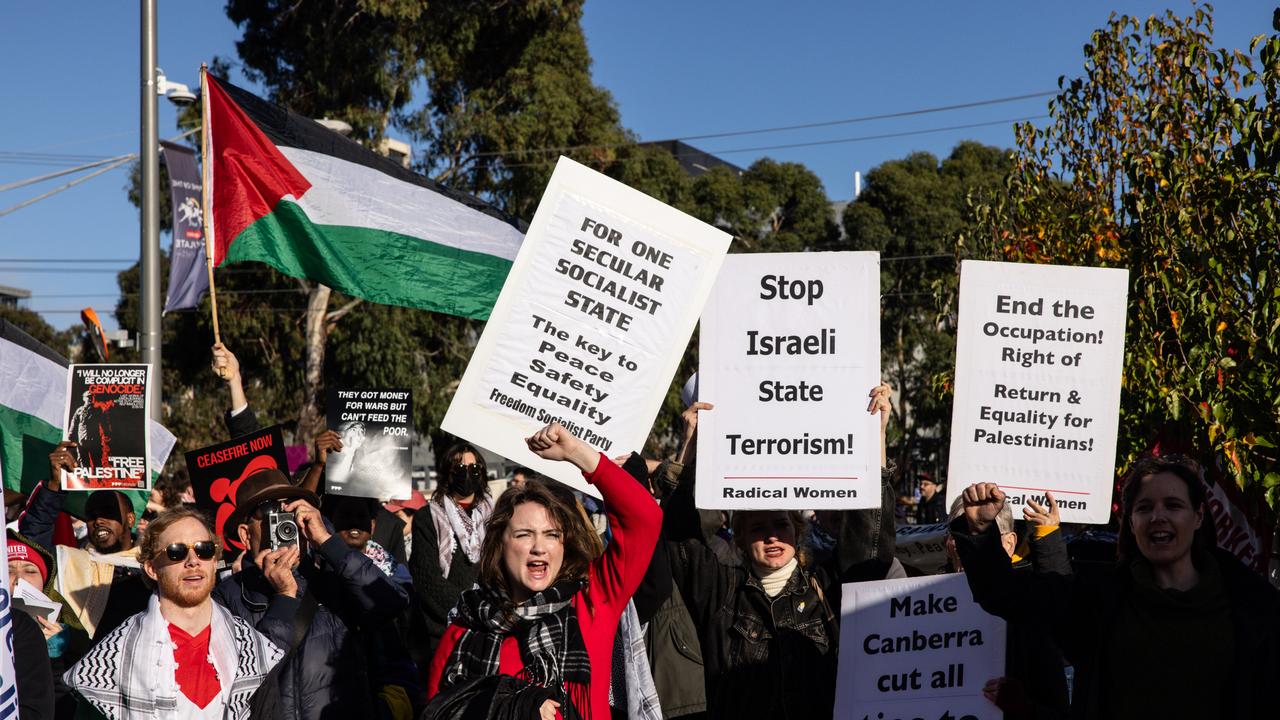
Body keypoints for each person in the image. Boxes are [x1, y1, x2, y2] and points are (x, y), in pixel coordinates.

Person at [952, 456, 1280, 718]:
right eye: (1145, 508)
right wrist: (981, 532)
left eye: (1173, 505)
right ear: (1131, 523)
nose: (1158, 517)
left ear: (1198, 517)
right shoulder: (1097, 599)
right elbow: (1004, 594)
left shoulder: (1252, 604)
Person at [661, 384, 898, 719]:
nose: (772, 538)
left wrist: (876, 438)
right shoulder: (720, 591)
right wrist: (690, 444)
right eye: (758, 529)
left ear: (797, 531)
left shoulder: (828, 587)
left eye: (780, 526)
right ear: (739, 538)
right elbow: (679, 539)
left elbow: (870, 543)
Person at [424, 423, 662, 720]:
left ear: (564, 545)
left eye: (551, 535)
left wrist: (576, 453)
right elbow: (437, 711)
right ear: (500, 543)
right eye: (524, 534)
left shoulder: (592, 601)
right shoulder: (465, 627)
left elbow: (645, 519)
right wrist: (513, 707)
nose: (539, 547)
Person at [212, 468, 411, 720]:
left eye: (291, 509)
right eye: (271, 510)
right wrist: (283, 598)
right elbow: (245, 679)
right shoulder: (228, 597)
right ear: (245, 534)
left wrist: (328, 542)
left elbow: (391, 603)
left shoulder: (333, 575)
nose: (283, 520)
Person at [65, 506, 283, 719]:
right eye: (176, 552)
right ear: (152, 568)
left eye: (204, 550)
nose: (193, 561)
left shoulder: (252, 648)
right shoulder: (110, 661)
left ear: (214, 561)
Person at [942, 495, 1071, 718]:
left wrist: (1021, 707)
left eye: (981, 533)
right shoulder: (923, 604)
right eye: (960, 532)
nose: (966, 544)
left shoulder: (1030, 614)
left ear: (1009, 543)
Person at [18, 442, 151, 640]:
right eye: (92, 515)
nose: (98, 521)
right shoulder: (67, 560)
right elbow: (31, 543)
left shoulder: (153, 567)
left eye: (108, 512)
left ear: (130, 519)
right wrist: (54, 486)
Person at [407, 442, 494, 669]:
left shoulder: (495, 520)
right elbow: (428, 580)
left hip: (488, 629)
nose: (467, 474)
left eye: (474, 469)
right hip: (441, 632)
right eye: (459, 468)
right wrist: (470, 612)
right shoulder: (428, 517)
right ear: (448, 473)